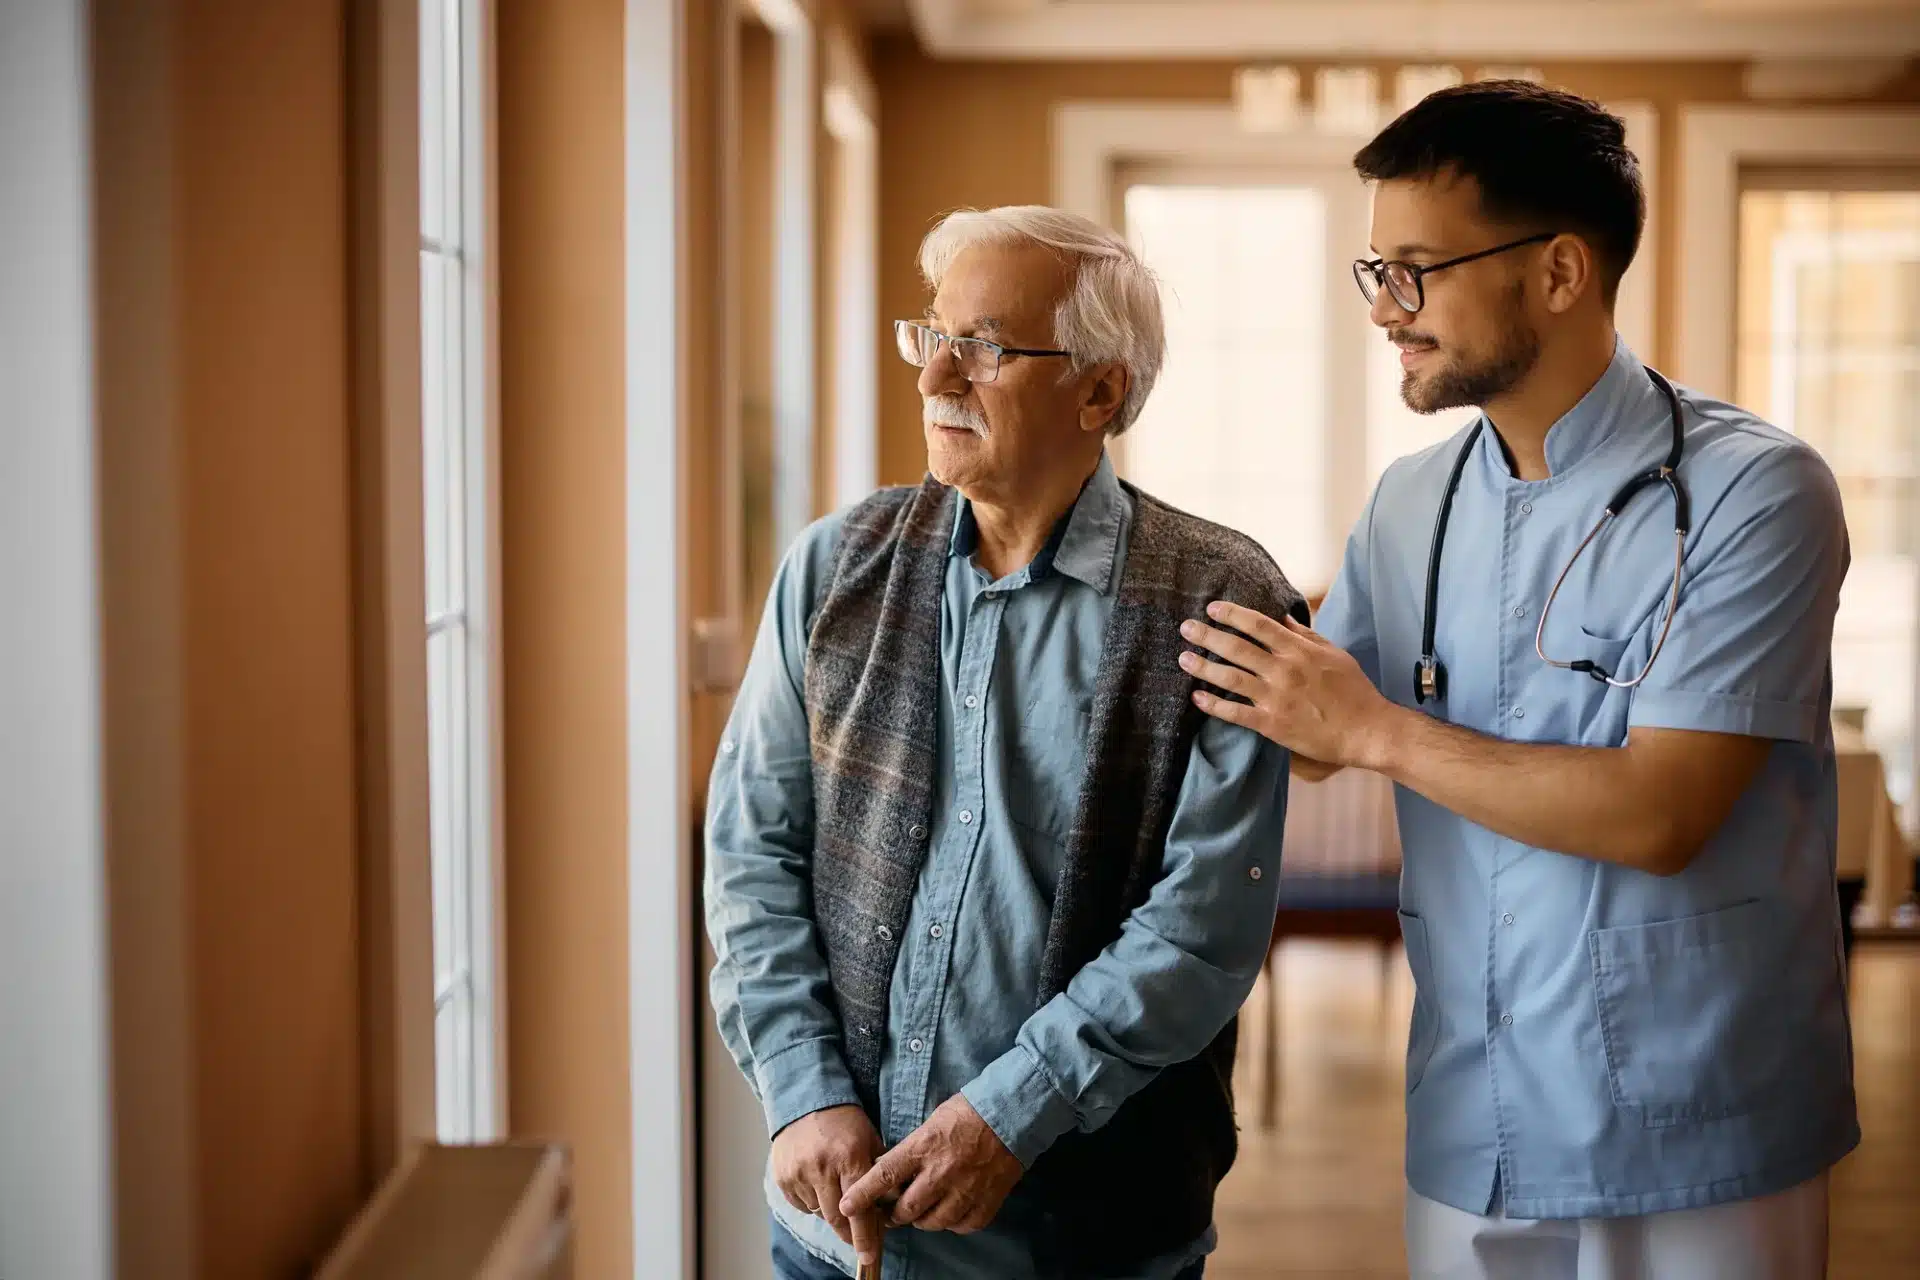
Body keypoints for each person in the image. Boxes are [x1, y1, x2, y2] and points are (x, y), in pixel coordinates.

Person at [1178, 82, 1857, 1280]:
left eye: (1419, 270)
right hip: (1474, 1108)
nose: (1388, 310)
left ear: (1558, 272)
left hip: (1698, 1116)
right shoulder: (1411, 500)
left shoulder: (1758, 493)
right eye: (1374, 270)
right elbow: (1322, 732)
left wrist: (1377, 729)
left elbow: (1661, 811)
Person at [704, 205, 1307, 1280]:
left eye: (979, 348)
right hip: (827, 1231)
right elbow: (754, 847)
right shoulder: (832, 566)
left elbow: (1205, 923)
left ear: (1100, 389)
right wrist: (805, 1089)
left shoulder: (1221, 598)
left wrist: (1010, 1114)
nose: (936, 378)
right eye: (929, 336)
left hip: (1092, 1243)